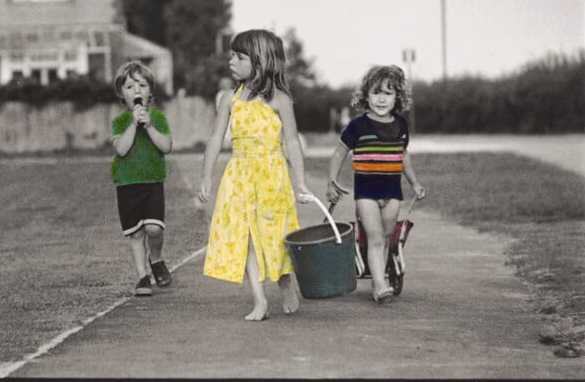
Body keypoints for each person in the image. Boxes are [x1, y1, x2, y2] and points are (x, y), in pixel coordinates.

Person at [198, 29, 313, 321]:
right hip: (238, 175)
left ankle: (285, 281)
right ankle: (260, 301)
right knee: (245, 237)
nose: (231, 61)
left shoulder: (280, 100)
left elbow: (292, 143)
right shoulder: (229, 99)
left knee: (276, 235)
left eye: (239, 56)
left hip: (271, 176)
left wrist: (300, 182)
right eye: (231, 55)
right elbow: (215, 139)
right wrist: (206, 177)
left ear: (259, 61)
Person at [325, 65, 426, 304]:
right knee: (376, 237)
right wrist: (332, 180)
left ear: (397, 97)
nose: (381, 99)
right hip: (367, 192)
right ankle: (379, 283)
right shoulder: (358, 126)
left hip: (393, 191)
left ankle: (379, 275)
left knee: (388, 236)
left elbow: (404, 156)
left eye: (388, 93)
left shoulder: (401, 125)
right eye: (375, 92)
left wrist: (414, 183)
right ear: (365, 96)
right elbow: (339, 153)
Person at [111, 61, 173, 297]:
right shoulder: (119, 122)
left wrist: (148, 126)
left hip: (153, 182)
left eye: (142, 85)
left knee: (154, 228)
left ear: (150, 92)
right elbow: (122, 150)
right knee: (136, 234)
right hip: (127, 185)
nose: (136, 91)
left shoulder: (158, 118)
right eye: (129, 86)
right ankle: (142, 277)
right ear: (121, 94)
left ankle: (156, 259)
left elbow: (166, 146)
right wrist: (134, 125)